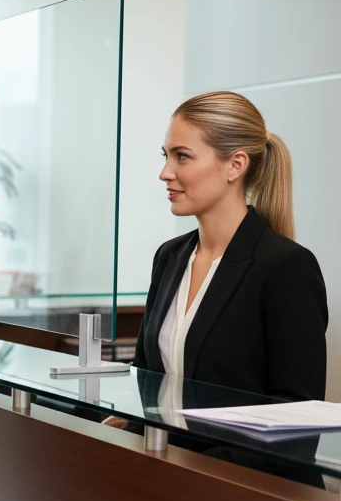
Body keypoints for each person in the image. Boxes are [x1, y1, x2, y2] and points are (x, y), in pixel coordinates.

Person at [127, 90, 328, 403]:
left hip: (222, 455)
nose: (165, 172)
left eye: (182, 156)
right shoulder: (169, 256)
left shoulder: (286, 267)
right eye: (165, 155)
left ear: (235, 165)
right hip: (158, 452)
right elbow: (148, 373)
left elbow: (296, 413)